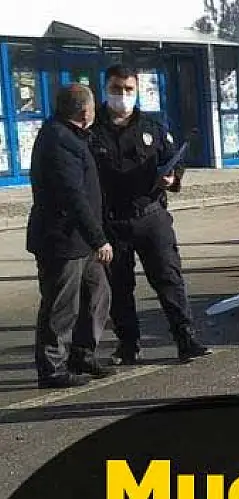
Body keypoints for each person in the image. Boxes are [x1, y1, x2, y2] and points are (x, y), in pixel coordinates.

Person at [88, 64, 212, 366]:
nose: (123, 95)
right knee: (119, 287)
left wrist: (174, 178)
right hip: (112, 221)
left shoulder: (152, 128)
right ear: (106, 89)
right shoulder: (92, 131)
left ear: (137, 91)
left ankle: (186, 340)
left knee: (169, 278)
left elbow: (172, 162)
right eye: (117, 89)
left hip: (150, 216)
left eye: (129, 89)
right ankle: (128, 345)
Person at [26, 85, 114, 388]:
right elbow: (72, 195)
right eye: (93, 107)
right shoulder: (58, 140)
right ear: (84, 111)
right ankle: (52, 367)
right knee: (61, 305)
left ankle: (83, 353)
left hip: (81, 240)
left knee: (98, 292)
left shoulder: (72, 135)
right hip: (62, 239)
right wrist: (99, 238)